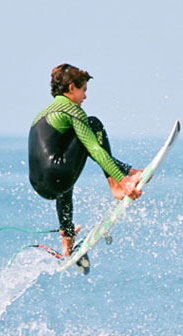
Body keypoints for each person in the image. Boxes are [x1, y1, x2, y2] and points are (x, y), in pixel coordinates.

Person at [28, 63, 143, 261]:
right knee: (93, 124)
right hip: (58, 175)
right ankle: (117, 184)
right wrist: (123, 180)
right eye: (83, 90)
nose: (85, 97)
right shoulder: (72, 110)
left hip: (41, 186)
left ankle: (67, 235)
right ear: (71, 87)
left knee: (61, 172)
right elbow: (95, 149)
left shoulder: (42, 113)